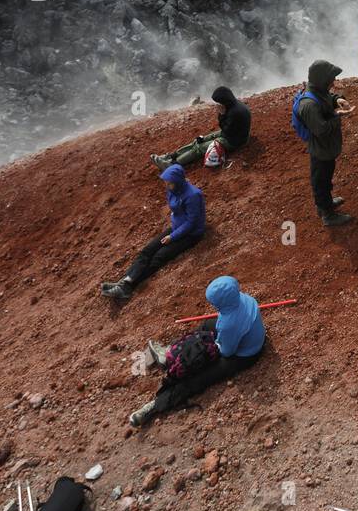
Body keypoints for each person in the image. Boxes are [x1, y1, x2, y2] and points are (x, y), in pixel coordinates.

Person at [130, 275, 267, 426]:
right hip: (244, 333)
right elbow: (227, 326)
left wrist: (210, 347)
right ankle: (172, 352)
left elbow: (227, 352)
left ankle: (156, 405)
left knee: (203, 375)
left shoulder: (229, 325)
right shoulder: (243, 299)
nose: (213, 306)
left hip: (246, 354)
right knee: (205, 327)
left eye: (215, 303)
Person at [100, 164, 205, 300]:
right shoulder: (172, 190)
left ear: (177, 181)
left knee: (159, 256)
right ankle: (125, 281)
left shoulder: (193, 195)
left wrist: (172, 237)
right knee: (147, 251)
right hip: (175, 228)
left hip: (191, 234)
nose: (166, 185)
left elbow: (192, 223)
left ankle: (128, 286)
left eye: (169, 182)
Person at [296, 59, 353, 227]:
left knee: (325, 177)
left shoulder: (317, 90)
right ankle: (327, 214)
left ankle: (327, 203)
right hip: (321, 149)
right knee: (320, 180)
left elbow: (327, 97)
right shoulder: (309, 105)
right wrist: (338, 116)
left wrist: (337, 100)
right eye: (331, 79)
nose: (333, 82)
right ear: (322, 80)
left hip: (326, 148)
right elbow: (320, 129)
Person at [151, 86, 252, 169]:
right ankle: (172, 156)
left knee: (199, 148)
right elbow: (227, 130)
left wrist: (221, 114)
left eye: (218, 103)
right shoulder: (234, 105)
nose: (217, 105)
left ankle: (173, 164)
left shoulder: (234, 113)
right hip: (233, 134)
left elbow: (226, 130)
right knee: (199, 140)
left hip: (235, 141)